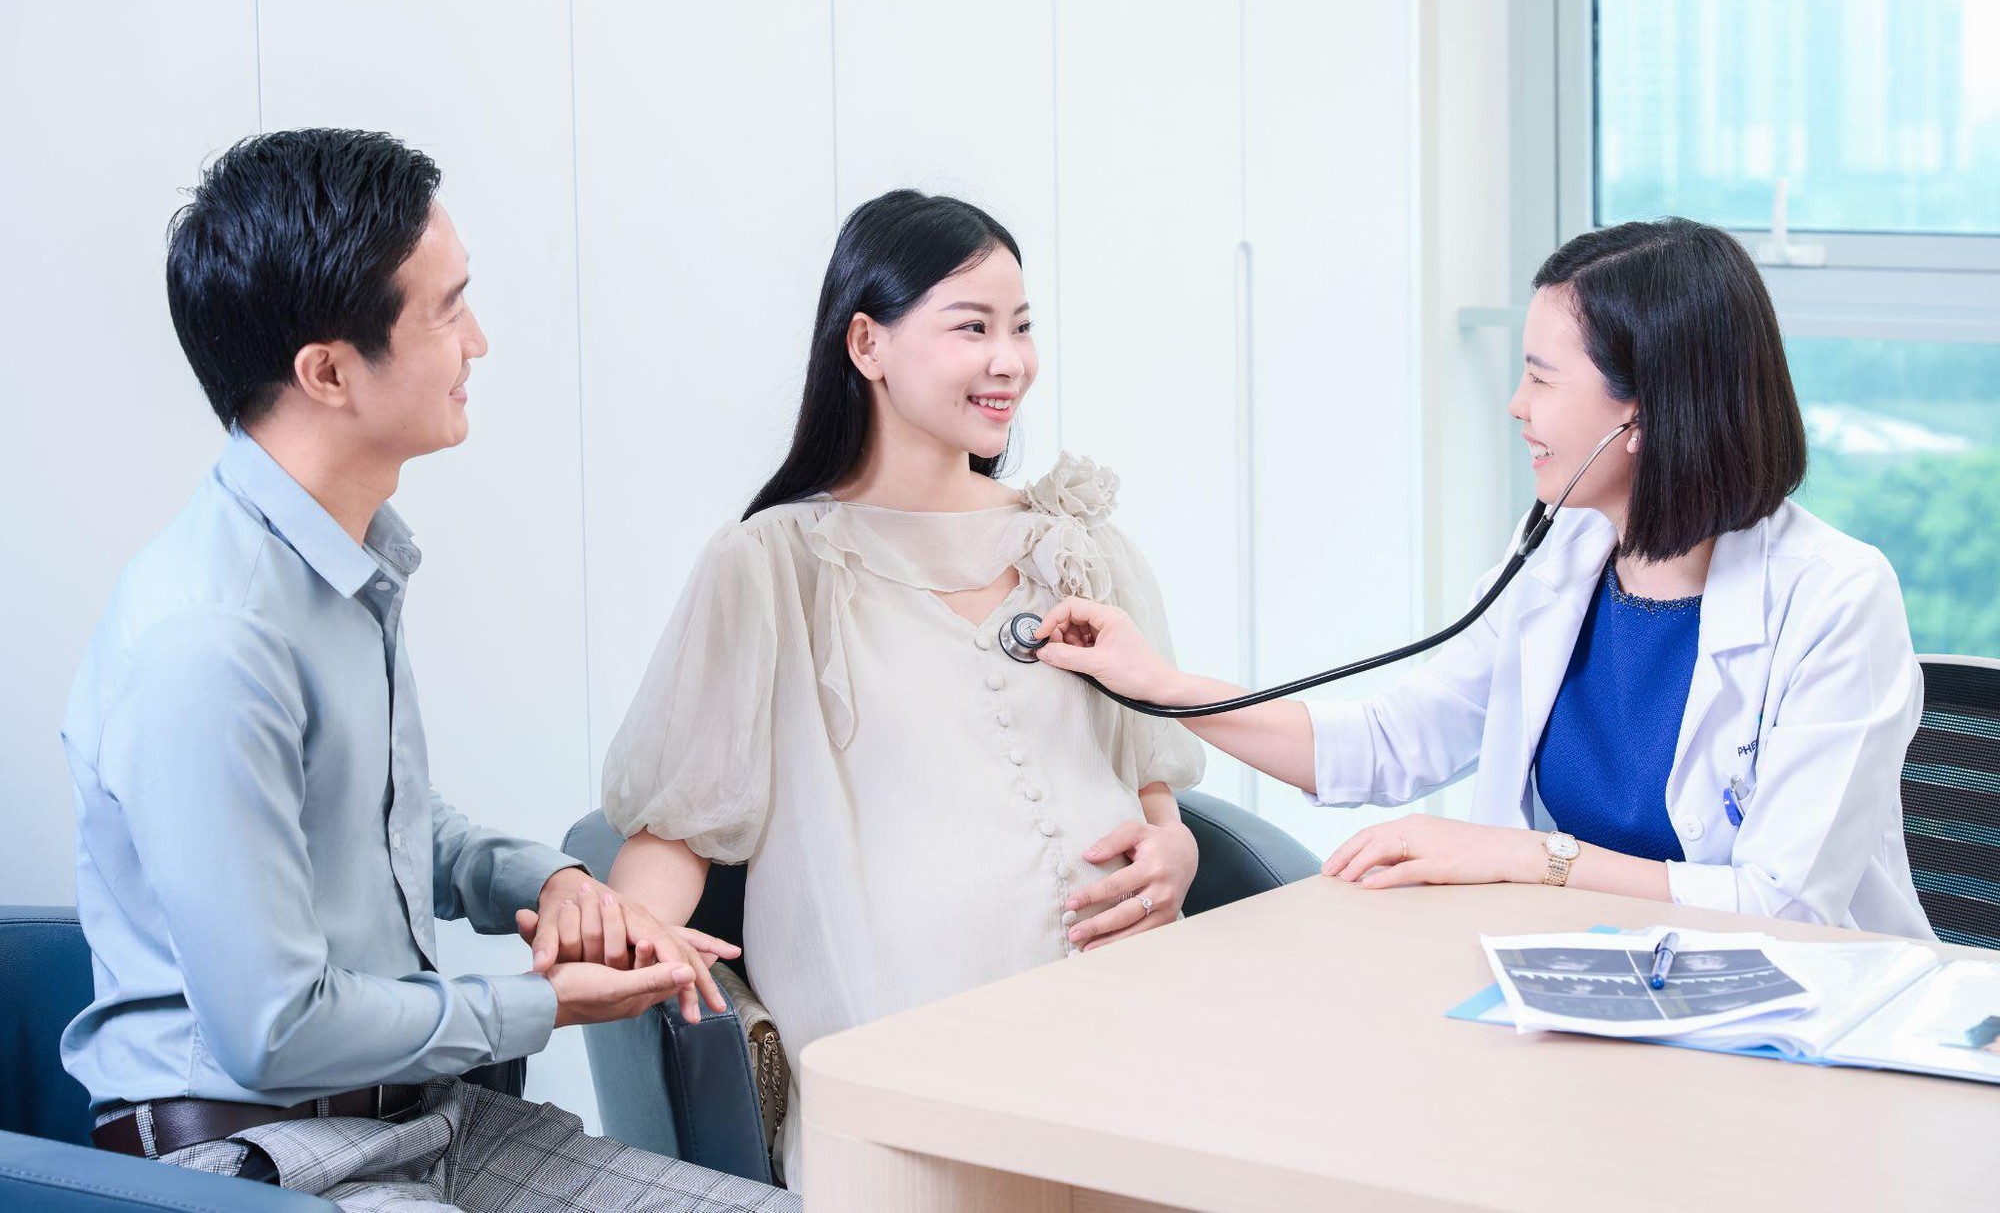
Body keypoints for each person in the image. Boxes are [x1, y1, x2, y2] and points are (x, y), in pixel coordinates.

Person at [62, 128, 797, 1210]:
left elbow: (390, 823)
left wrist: (553, 882)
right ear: (327, 371)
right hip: (254, 1160)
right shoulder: (211, 641)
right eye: (448, 311)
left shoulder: (342, 558)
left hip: (426, 1118)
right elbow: (274, 1029)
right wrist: (548, 1002)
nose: (478, 343)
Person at [1033, 218, 1933, 940]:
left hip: (1789, 1023)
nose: (1515, 405)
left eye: (1542, 379)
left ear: (1645, 418)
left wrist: (1527, 858)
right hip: (1586, 990)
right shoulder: (1559, 555)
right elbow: (1388, 745)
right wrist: (1161, 686)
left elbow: (1784, 906)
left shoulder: (1837, 599)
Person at [601, 190, 1207, 1180]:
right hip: (903, 1065)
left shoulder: (1079, 547)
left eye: (1021, 327)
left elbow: (1145, 777)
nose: (1008, 360)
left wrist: (1174, 845)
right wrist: (630, 939)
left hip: (1128, 1024)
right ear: (867, 343)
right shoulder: (772, 565)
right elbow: (678, 825)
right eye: (972, 326)